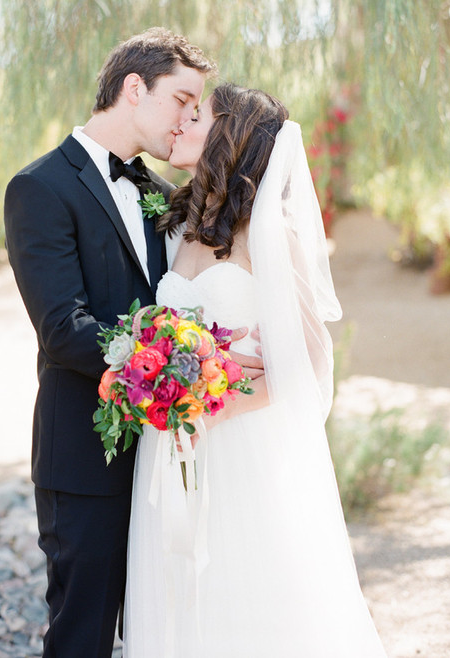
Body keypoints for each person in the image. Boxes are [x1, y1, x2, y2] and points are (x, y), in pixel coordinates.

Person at [124, 83, 389, 657]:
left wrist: (218, 403)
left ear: (227, 138)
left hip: (242, 443)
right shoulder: (181, 226)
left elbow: (313, 358)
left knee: (252, 591)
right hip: (174, 442)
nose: (183, 124)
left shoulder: (268, 232)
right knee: (182, 596)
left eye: (198, 117)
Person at [3, 28, 220, 658]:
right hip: (85, 458)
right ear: (134, 88)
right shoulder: (40, 187)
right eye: (182, 98)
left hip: (164, 459)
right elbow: (64, 330)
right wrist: (178, 368)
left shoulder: (157, 193)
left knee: (158, 628)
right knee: (84, 635)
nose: (189, 117)